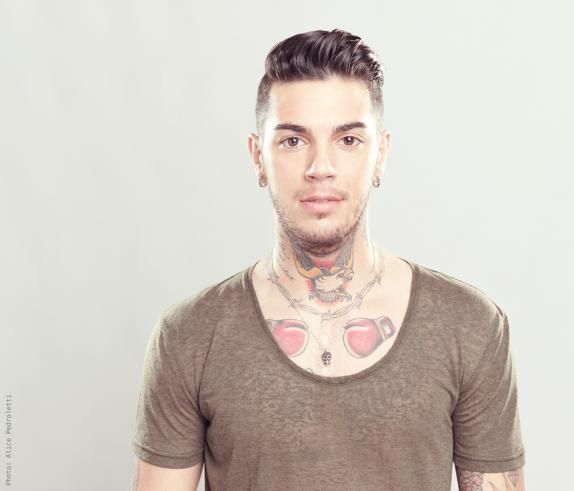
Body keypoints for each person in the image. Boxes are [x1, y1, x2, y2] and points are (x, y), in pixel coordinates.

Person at [131, 28, 526, 491]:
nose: (321, 167)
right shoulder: (190, 335)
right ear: (258, 158)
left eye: (349, 140)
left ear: (381, 156)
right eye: (293, 141)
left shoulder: (469, 325)